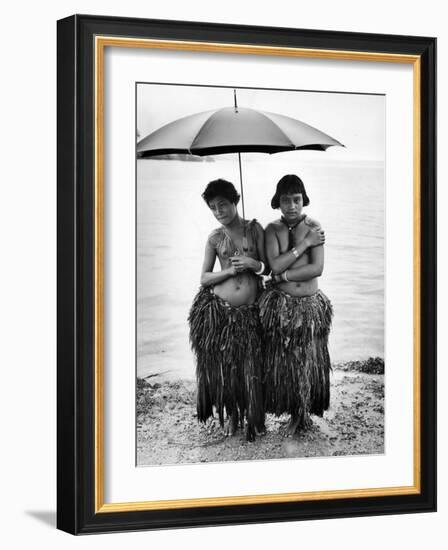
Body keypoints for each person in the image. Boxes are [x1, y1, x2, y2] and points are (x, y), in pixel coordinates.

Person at [188, 178, 267, 441]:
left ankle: (253, 416)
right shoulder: (214, 238)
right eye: (213, 207)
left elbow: (269, 267)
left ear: (236, 201)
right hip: (222, 311)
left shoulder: (254, 231)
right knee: (228, 369)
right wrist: (231, 270)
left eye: (223, 204)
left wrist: (252, 263)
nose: (219, 211)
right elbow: (204, 278)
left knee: (249, 366)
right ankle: (232, 416)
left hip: (249, 312)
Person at [259, 174, 333, 435]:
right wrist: (305, 244)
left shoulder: (315, 226)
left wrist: (283, 276)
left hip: (310, 306)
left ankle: (303, 413)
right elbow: (273, 265)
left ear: (304, 200)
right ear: (277, 202)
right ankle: (292, 412)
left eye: (296, 199)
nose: (292, 205)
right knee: (285, 362)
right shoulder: (272, 230)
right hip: (282, 306)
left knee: (307, 360)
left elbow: (317, 269)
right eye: (286, 200)